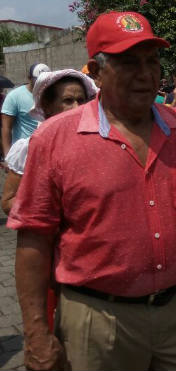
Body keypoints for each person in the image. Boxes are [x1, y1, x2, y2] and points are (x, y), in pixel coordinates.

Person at [8, 11, 176, 370]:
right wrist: (36, 333)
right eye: (128, 63)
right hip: (96, 322)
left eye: (151, 61)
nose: (145, 74)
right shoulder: (54, 139)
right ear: (95, 71)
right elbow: (34, 241)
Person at [1, 69, 97, 332]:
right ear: (48, 105)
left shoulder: (99, 141)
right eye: (68, 100)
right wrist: (48, 209)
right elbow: (8, 201)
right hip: (51, 256)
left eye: (82, 100)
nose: (76, 107)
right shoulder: (33, 145)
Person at [1, 63, 50, 156]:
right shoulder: (15, 96)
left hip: (47, 150)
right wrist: (8, 155)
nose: (43, 82)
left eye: (46, 79)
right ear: (29, 78)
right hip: (24, 154)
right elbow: (6, 128)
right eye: (38, 79)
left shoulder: (52, 95)